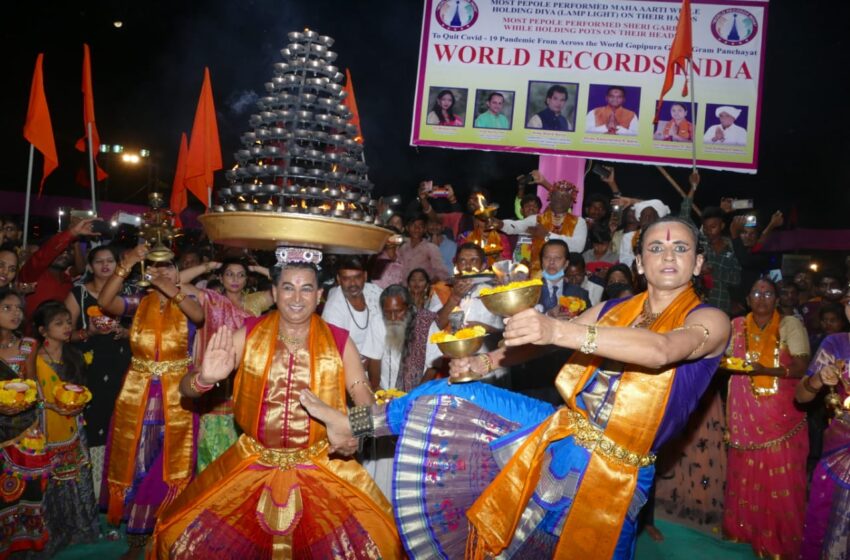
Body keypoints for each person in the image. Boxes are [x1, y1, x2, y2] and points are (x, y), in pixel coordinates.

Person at [302, 216, 730, 559]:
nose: (667, 256)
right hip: (560, 434)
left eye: (680, 248)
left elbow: (661, 350)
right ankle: (354, 424)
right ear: (639, 262)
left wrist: (558, 330)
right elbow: (540, 342)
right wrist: (484, 361)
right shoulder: (616, 309)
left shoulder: (711, 321)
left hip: (619, 474)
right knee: (447, 394)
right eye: (655, 248)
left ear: (697, 264)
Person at [152, 249, 402, 559]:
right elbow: (185, 389)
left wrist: (356, 431)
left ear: (319, 294)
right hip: (253, 461)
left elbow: (363, 394)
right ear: (274, 292)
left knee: (383, 540)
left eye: (306, 288)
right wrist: (203, 378)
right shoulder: (250, 333)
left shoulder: (339, 339)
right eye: (288, 287)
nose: (297, 297)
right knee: (176, 535)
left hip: (321, 463)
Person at [96, 244, 205, 557]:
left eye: (168, 267)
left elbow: (199, 317)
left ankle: (167, 531)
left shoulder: (189, 302)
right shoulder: (137, 304)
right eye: (155, 268)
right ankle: (137, 539)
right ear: (145, 273)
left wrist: (172, 290)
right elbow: (105, 302)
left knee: (168, 466)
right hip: (138, 396)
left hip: (178, 398)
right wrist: (126, 263)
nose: (161, 272)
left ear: (177, 272)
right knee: (136, 464)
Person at [722, 278, 810, 559]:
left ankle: (779, 543)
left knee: (780, 478)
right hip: (744, 414)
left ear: (777, 298)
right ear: (748, 298)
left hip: (781, 416)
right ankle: (743, 532)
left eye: (768, 293)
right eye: (756, 293)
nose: (762, 298)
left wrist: (768, 371)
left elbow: (801, 366)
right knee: (744, 471)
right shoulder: (735, 326)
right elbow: (721, 358)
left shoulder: (790, 325)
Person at [179, 258, 273, 472]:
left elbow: (282, 285)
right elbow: (175, 283)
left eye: (241, 275)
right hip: (213, 379)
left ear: (247, 280)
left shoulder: (256, 302)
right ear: (220, 278)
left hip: (246, 379)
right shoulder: (209, 300)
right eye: (229, 274)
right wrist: (206, 267)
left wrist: (258, 268)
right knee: (211, 449)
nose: (235, 279)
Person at [64, 244, 135, 493]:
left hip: (123, 361)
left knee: (121, 418)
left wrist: (126, 332)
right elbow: (63, 334)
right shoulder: (78, 294)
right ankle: (91, 486)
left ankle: (117, 486)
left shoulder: (130, 292)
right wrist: (88, 332)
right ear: (90, 266)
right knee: (93, 419)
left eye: (110, 261)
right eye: (98, 261)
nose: (105, 265)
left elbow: (147, 329)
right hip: (89, 364)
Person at [33, 300, 99, 557]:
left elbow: (79, 389)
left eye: (68, 322)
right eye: (58, 323)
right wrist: (51, 405)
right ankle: (52, 532)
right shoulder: (34, 359)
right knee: (50, 481)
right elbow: (28, 394)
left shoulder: (73, 354)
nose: (66, 327)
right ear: (43, 331)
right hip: (45, 427)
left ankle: (79, 528)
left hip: (73, 424)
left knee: (76, 477)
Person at [796, 301, 850, 560]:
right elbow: (802, 397)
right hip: (838, 452)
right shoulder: (836, 344)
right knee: (823, 529)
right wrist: (817, 380)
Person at [0, 287, 50, 557]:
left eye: (18, 308)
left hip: (23, 430)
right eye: (7, 308)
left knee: (28, 491)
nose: (15, 313)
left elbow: (32, 386)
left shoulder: (28, 345)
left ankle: (24, 546)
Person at [496, 182, 588, 277]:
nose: (559, 199)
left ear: (571, 202)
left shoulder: (579, 222)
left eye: (565, 197)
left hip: (564, 276)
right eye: (556, 196)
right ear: (550, 198)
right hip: (537, 274)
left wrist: (547, 236)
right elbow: (516, 226)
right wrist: (500, 224)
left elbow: (578, 246)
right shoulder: (537, 219)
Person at [17, 218, 100, 321]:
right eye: (61, 251)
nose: (65, 254)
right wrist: (72, 232)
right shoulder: (33, 274)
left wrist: (76, 242)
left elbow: (81, 269)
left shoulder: (68, 281)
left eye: (69, 251)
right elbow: (44, 255)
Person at [322, 255, 386, 382]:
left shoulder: (374, 291)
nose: (352, 284)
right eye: (346, 279)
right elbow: (334, 356)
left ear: (365, 276)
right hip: (350, 374)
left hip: (381, 363)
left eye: (357, 277)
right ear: (339, 280)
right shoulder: (333, 310)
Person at [701, 206, 741, 314]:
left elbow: (737, 279)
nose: (709, 231)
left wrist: (713, 271)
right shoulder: (700, 247)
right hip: (700, 305)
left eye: (713, 227)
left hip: (722, 305)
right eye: (706, 228)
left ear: (722, 226)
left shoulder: (732, 249)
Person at [536, 240, 591, 316]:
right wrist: (548, 315)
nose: (551, 262)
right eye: (547, 257)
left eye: (557, 258)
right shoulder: (529, 290)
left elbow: (589, 322)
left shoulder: (580, 293)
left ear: (566, 263)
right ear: (542, 262)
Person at [398, 213, 450, 283]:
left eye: (420, 225)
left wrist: (427, 285)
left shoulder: (431, 248)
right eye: (413, 225)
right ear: (407, 228)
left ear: (425, 229)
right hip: (404, 290)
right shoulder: (402, 248)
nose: (417, 228)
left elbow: (443, 273)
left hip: (424, 291)